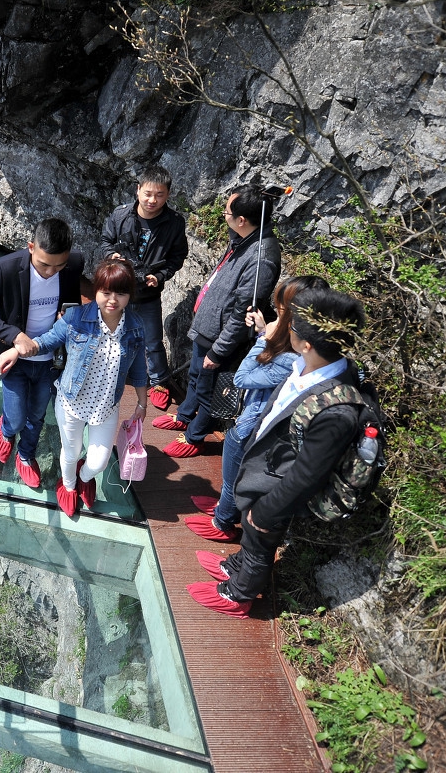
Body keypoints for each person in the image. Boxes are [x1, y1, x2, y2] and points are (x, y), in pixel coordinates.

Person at [188, 288, 367, 618]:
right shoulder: (306, 365)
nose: (287, 328)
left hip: (280, 487)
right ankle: (235, 566)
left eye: (293, 327)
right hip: (267, 467)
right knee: (249, 528)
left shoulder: (337, 411)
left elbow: (307, 475)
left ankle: (239, 594)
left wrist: (270, 510)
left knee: (260, 538)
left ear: (307, 343)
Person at [0, 258, 148, 516]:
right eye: (106, 292)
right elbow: (45, 341)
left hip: (106, 408)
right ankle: (67, 486)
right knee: (71, 452)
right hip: (71, 402)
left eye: (120, 293)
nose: (112, 300)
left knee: (98, 462)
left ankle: (84, 476)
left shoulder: (135, 327)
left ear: (129, 295)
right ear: (96, 290)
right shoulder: (76, 318)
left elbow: (138, 369)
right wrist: (16, 350)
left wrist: (142, 403)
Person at [186, 275, 328, 542]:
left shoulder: (291, 359)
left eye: (283, 310)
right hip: (257, 423)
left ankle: (222, 521)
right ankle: (224, 507)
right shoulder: (305, 352)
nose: (278, 313)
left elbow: (242, 378)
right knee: (234, 476)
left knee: (233, 478)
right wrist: (266, 331)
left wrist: (264, 338)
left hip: (250, 426)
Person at [156, 185, 282, 458]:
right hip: (208, 327)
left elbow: (242, 312)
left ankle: (194, 437)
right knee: (196, 377)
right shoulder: (244, 238)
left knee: (208, 389)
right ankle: (185, 415)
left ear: (242, 221)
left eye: (227, 211)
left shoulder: (262, 258)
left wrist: (220, 349)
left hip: (220, 338)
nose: (223, 214)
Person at [0, 218, 85, 489]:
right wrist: (15, 336)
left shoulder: (73, 266)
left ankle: (25, 456)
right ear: (31, 247)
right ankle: (6, 429)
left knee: (37, 415)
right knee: (16, 417)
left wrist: (67, 316)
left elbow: (75, 307)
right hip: (14, 358)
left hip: (49, 359)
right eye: (44, 264)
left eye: (59, 265)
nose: (51, 271)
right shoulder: (6, 268)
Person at [99, 166, 189, 411]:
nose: (152, 200)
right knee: (111, 333)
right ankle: (107, 371)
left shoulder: (174, 222)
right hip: (118, 288)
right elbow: (106, 240)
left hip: (149, 292)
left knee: (152, 340)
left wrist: (160, 275)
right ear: (138, 190)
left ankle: (159, 382)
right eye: (148, 193)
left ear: (168, 195)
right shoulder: (121, 215)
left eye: (159, 195)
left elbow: (178, 255)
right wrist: (111, 254)